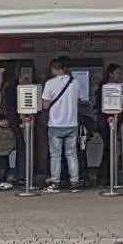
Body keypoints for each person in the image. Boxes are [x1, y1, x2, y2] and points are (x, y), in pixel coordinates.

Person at [41, 55, 82, 192]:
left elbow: (45, 105)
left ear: (54, 69)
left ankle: (55, 182)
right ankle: (75, 182)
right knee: (72, 154)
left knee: (55, 155)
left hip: (56, 124)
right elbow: (78, 101)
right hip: (72, 123)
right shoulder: (75, 82)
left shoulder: (50, 84)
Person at [95, 63, 123, 188]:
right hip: (106, 122)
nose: (119, 75)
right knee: (109, 149)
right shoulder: (103, 88)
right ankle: (105, 176)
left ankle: (107, 177)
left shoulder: (121, 87)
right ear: (110, 73)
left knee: (110, 149)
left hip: (114, 121)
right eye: (117, 72)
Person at [0, 64, 19, 188]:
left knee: (2, 152)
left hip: (2, 119)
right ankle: (1, 178)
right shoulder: (10, 88)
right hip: (7, 121)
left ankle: (1, 178)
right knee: (4, 153)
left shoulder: (4, 86)